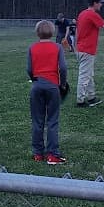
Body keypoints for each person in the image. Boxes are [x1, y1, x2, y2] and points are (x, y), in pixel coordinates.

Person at [27, 20, 68, 164]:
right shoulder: (57, 47)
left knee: (37, 121)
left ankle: (38, 153)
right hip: (52, 87)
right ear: (52, 32)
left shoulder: (32, 48)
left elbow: (29, 70)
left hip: (37, 86)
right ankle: (52, 154)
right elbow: (62, 68)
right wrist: (62, 84)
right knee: (52, 121)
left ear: (37, 32)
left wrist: (35, 80)